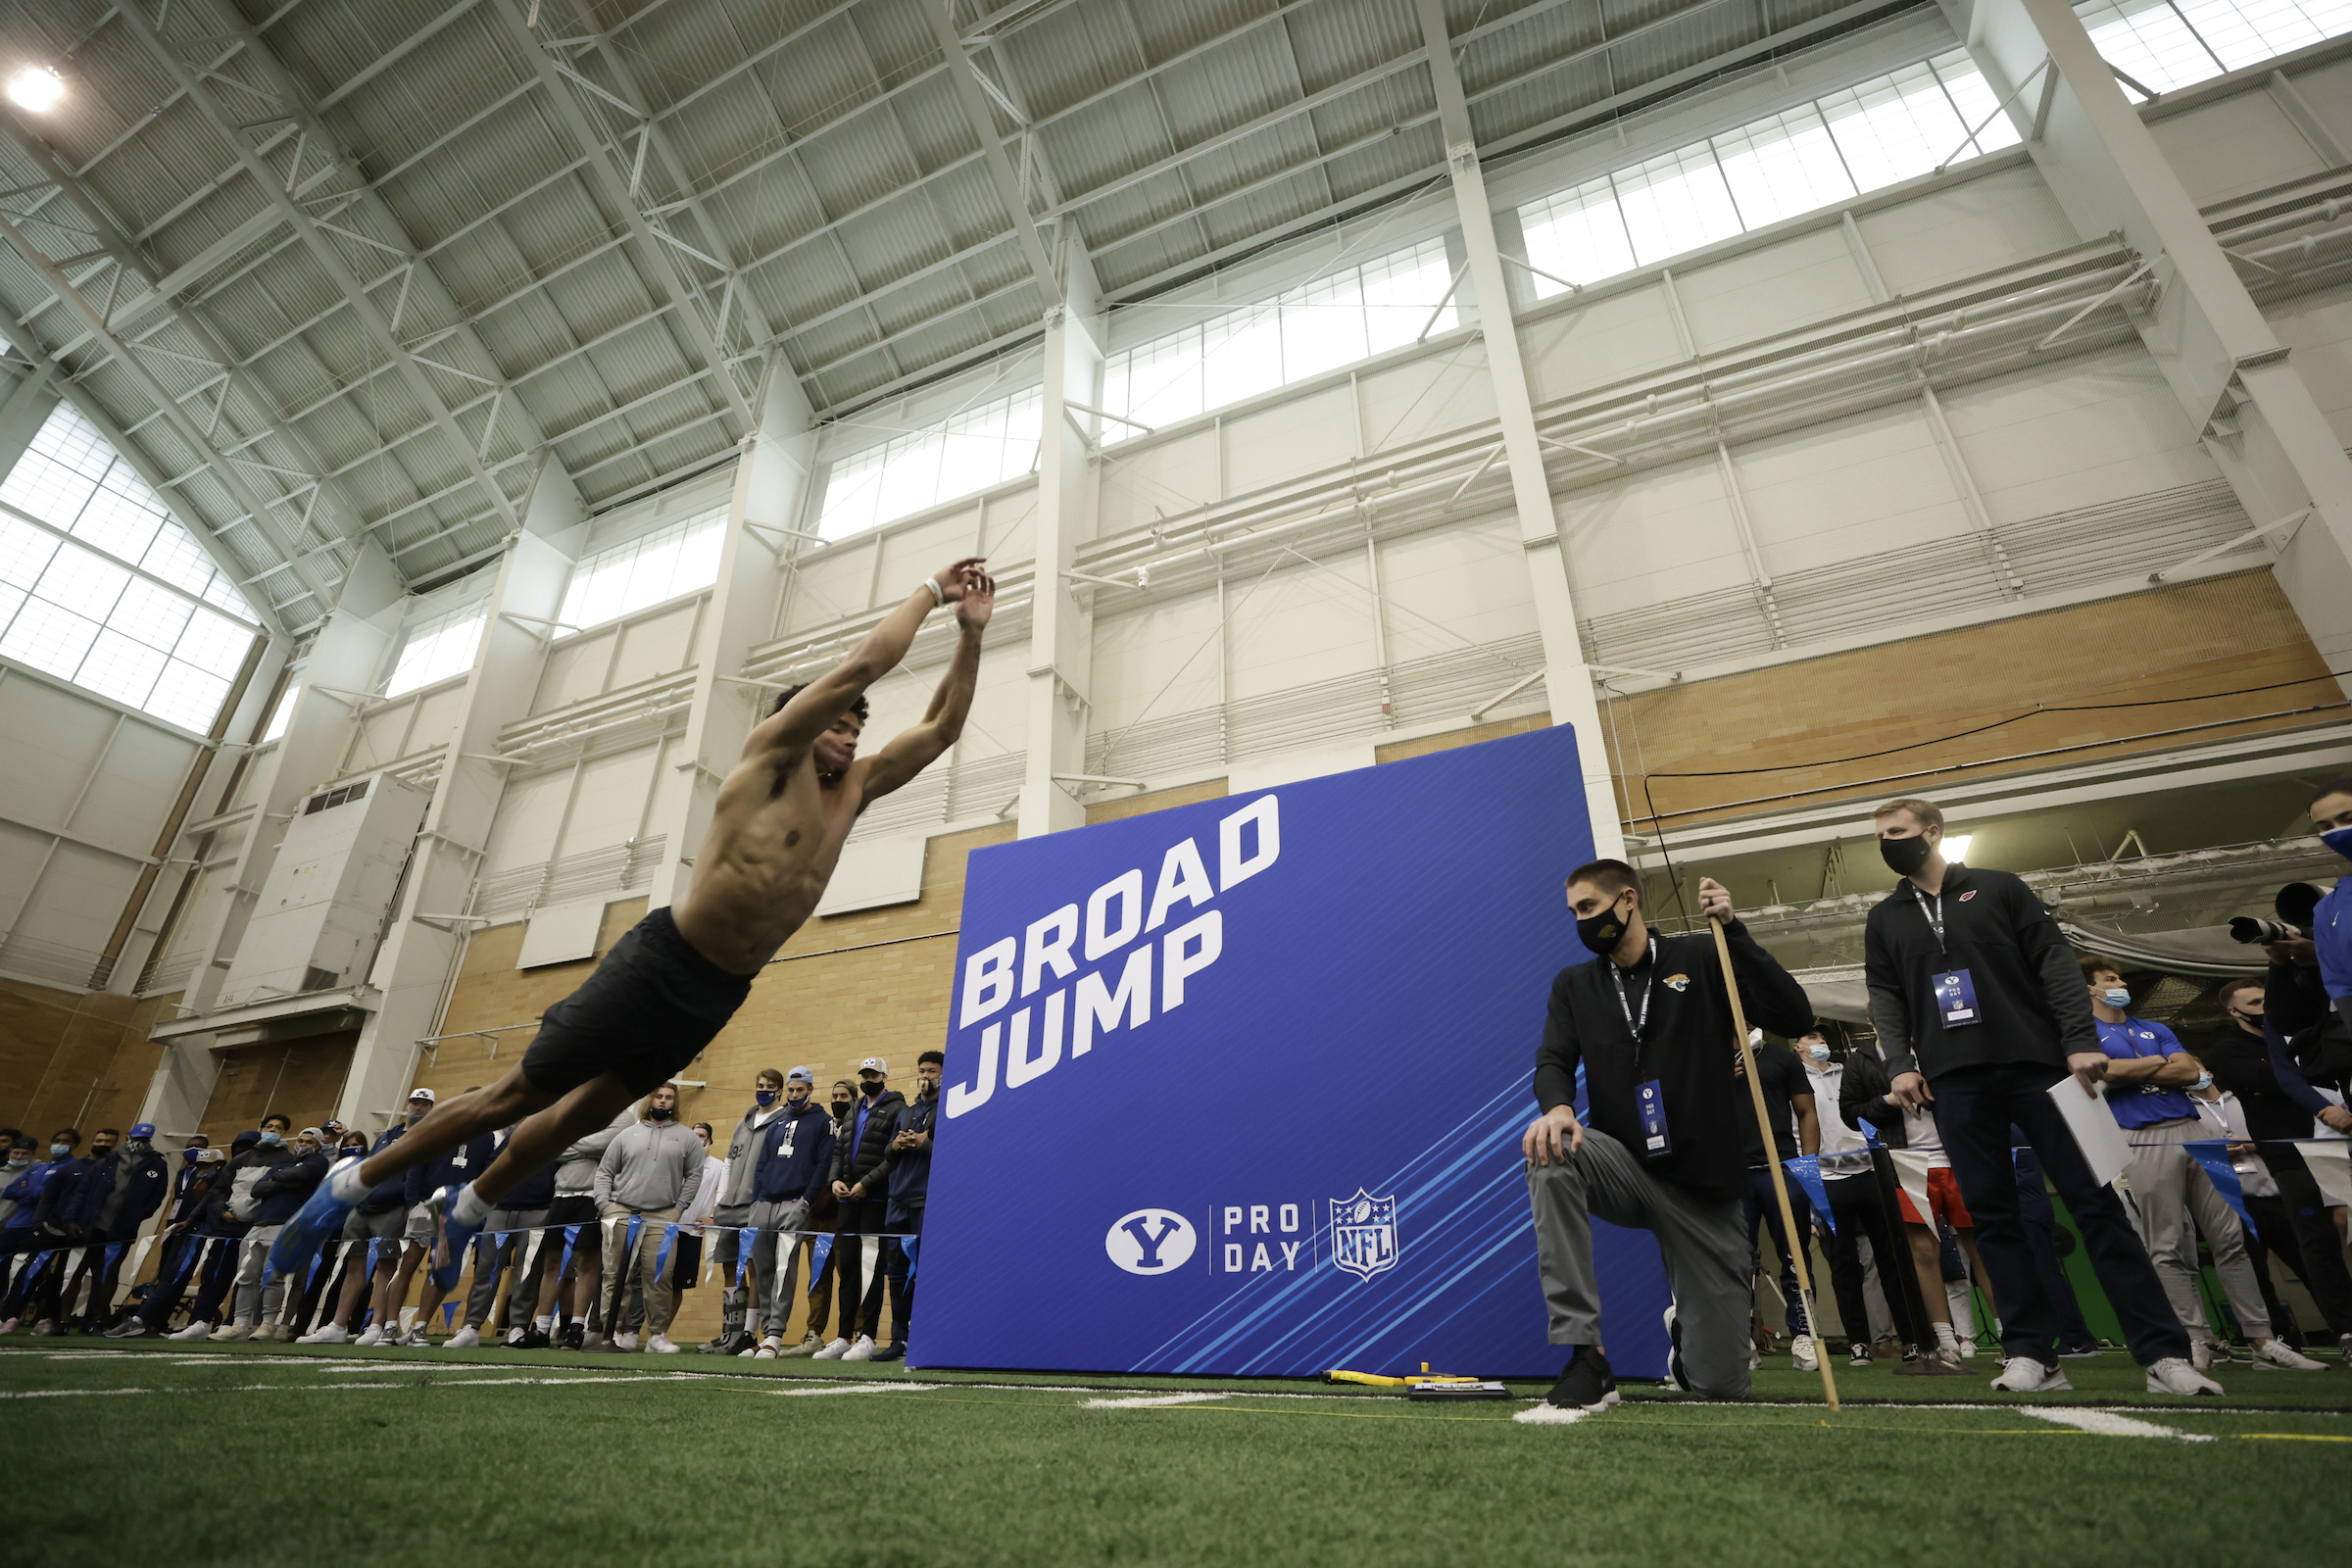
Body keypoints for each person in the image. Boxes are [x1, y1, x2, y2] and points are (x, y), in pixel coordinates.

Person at [270, 561, 997, 1287]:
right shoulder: (771, 760)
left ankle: (470, 1203)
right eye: (835, 723)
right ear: (803, 721)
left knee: (584, 1111)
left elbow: (941, 728)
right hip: (662, 962)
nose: (847, 738)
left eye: (855, 729)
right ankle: (347, 1188)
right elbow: (866, 661)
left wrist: (969, 634)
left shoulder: (856, 790)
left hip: (716, 994)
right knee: (519, 1095)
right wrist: (933, 592)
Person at [1863, 797, 2214, 1396]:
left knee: (2096, 1204)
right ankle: (2032, 1356)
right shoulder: (1885, 918)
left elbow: (2054, 963)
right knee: (1994, 1219)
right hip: (1956, 1082)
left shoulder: (2000, 889)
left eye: (1897, 832)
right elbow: (1886, 996)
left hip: (2043, 1069)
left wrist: (2078, 1039)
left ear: (1932, 831)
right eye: (1881, 836)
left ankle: (2162, 1353)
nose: (1888, 842)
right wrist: (1899, 1065)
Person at [1522, 862, 1814, 1411]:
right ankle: (1586, 1354)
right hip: (1626, 1168)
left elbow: (1794, 1015)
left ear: (1627, 899)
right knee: (1551, 1148)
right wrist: (1558, 1107)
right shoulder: (1575, 985)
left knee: (1723, 1386)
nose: (1580, 921)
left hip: (1706, 1189)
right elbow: (1553, 1059)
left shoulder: (1704, 957)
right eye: (1574, 913)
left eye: (1588, 907)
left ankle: (1688, 1337)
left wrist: (1735, 931)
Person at [2084, 959, 2321, 1371]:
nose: (2121, 984)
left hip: (2196, 1131)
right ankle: (2196, 1340)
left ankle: (2262, 1340)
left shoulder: (2156, 1028)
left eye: (2119, 977)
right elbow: (2108, 1071)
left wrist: (2140, 1071)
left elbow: (2192, 1069)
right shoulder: (2084, 1033)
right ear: (2089, 989)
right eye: (2110, 980)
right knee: (2167, 1244)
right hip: (2142, 1138)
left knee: (2231, 1237)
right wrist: (2160, 1067)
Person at [2202, 974, 2352, 1358]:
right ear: (2233, 1011)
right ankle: (2346, 1330)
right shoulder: (2228, 1050)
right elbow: (2269, 1080)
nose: (2265, 1008)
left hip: (2338, 1138)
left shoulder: (2309, 1030)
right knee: (2317, 1243)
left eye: (2268, 999)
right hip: (2292, 1155)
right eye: (2254, 1004)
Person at [297, 1098, 422, 1346]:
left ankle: (376, 1325)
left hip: (392, 1208)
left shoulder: (428, 1135)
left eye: (425, 1104)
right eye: (414, 1102)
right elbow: (370, 1166)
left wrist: (406, 1200)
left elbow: (418, 1175)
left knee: (387, 1267)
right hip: (363, 1206)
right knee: (354, 1265)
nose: (418, 1107)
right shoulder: (387, 1135)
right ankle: (338, 1325)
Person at [591, 1086, 703, 1353]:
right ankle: (612, 1333)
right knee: (616, 1274)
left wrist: (678, 1210)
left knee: (660, 1274)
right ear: (649, 1099)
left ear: (675, 1103)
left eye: (668, 1097)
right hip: (621, 1210)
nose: (663, 1101)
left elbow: (694, 1176)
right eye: (658, 1096)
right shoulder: (627, 1135)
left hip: (663, 1214)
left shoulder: (687, 1138)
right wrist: (605, 1205)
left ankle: (657, 1335)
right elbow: (605, 1171)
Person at [1735, 1029, 1819, 1370]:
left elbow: (1807, 1112)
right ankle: (1740, 1338)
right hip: (1733, 1173)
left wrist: (1807, 1167)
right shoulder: (1706, 1057)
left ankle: (1804, 1335)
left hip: (1780, 1168)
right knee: (1733, 1262)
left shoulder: (1781, 1058)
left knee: (1795, 1256)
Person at [378, 1108, 497, 1347]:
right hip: (425, 1205)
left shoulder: (487, 1138)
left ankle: (420, 1327)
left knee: (440, 1268)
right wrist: (413, 1203)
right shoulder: (439, 1129)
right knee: (408, 1264)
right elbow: (417, 1166)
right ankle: (390, 1326)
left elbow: (485, 1172)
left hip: (459, 1210)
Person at [815, 1057, 906, 1362]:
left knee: (872, 1268)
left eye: (873, 1074)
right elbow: (839, 1151)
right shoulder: (854, 1109)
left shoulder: (896, 1109)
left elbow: (893, 1155)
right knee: (849, 1269)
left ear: (884, 1076)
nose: (868, 1079)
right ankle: (843, 1336)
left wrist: (868, 1183)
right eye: (865, 1075)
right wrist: (835, 1181)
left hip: (875, 1200)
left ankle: (867, 1335)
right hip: (847, 1200)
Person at [523, 1105, 634, 1351]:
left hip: (593, 1196)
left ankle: (576, 1328)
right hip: (561, 1194)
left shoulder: (624, 1116)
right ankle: (541, 1329)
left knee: (587, 1261)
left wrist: (571, 1143)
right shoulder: (578, 1112)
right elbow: (553, 1147)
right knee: (552, 1262)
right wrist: (585, 1147)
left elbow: (606, 1145)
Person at [742, 1067, 834, 1358]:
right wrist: (755, 1200)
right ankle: (764, 1334)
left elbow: (823, 1166)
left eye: (799, 1090)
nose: (794, 1095)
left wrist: (806, 1201)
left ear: (809, 1089)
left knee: (784, 1270)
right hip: (764, 1203)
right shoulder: (777, 1122)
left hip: (794, 1202)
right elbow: (761, 1164)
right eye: (791, 1090)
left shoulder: (823, 1123)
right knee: (763, 1270)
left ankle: (775, 1336)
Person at [704, 1074, 790, 1357]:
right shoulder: (744, 1121)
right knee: (731, 1268)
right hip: (730, 1206)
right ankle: (731, 1332)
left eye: (769, 1087)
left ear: (780, 1091)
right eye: (760, 1086)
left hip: (756, 1205)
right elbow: (729, 1162)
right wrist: (720, 1202)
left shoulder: (782, 1121)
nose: (763, 1091)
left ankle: (749, 1333)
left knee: (754, 1267)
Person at [217, 1128, 327, 1343]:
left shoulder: (318, 1162)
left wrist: (275, 1182)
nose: (303, 1144)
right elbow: (257, 1190)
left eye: (310, 1142)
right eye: (301, 1140)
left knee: (274, 1278)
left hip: (285, 1223)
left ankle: (268, 1323)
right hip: (260, 1222)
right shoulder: (280, 1165)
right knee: (247, 1276)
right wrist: (284, 1180)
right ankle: (240, 1323)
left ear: (318, 1146)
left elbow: (301, 1174)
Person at [457, 1126, 555, 1350]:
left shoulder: (560, 1133)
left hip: (538, 1209)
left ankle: (518, 1328)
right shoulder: (518, 1132)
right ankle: (471, 1326)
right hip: (500, 1209)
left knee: (527, 1272)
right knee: (486, 1268)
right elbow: (493, 1163)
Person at [872, 1049, 942, 1361]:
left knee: (925, 1271)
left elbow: (954, 1154)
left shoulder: (950, 1108)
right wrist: (897, 1145)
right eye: (922, 1070)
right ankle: (899, 1338)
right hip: (897, 1200)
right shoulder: (905, 1111)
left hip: (926, 1201)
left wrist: (925, 1144)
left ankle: (925, 1335)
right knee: (896, 1272)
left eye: (931, 1071)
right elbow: (887, 1154)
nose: (925, 1076)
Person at [0, 1130, 77, 1334]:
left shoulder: (71, 1167)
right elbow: (10, 1191)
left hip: (38, 1227)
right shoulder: (39, 1168)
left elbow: (49, 1193)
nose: (60, 1144)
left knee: (23, 1273)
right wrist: (33, 1192)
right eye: (57, 1140)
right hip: (13, 1225)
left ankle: (10, 1316)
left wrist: (28, 1193)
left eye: (65, 1142)